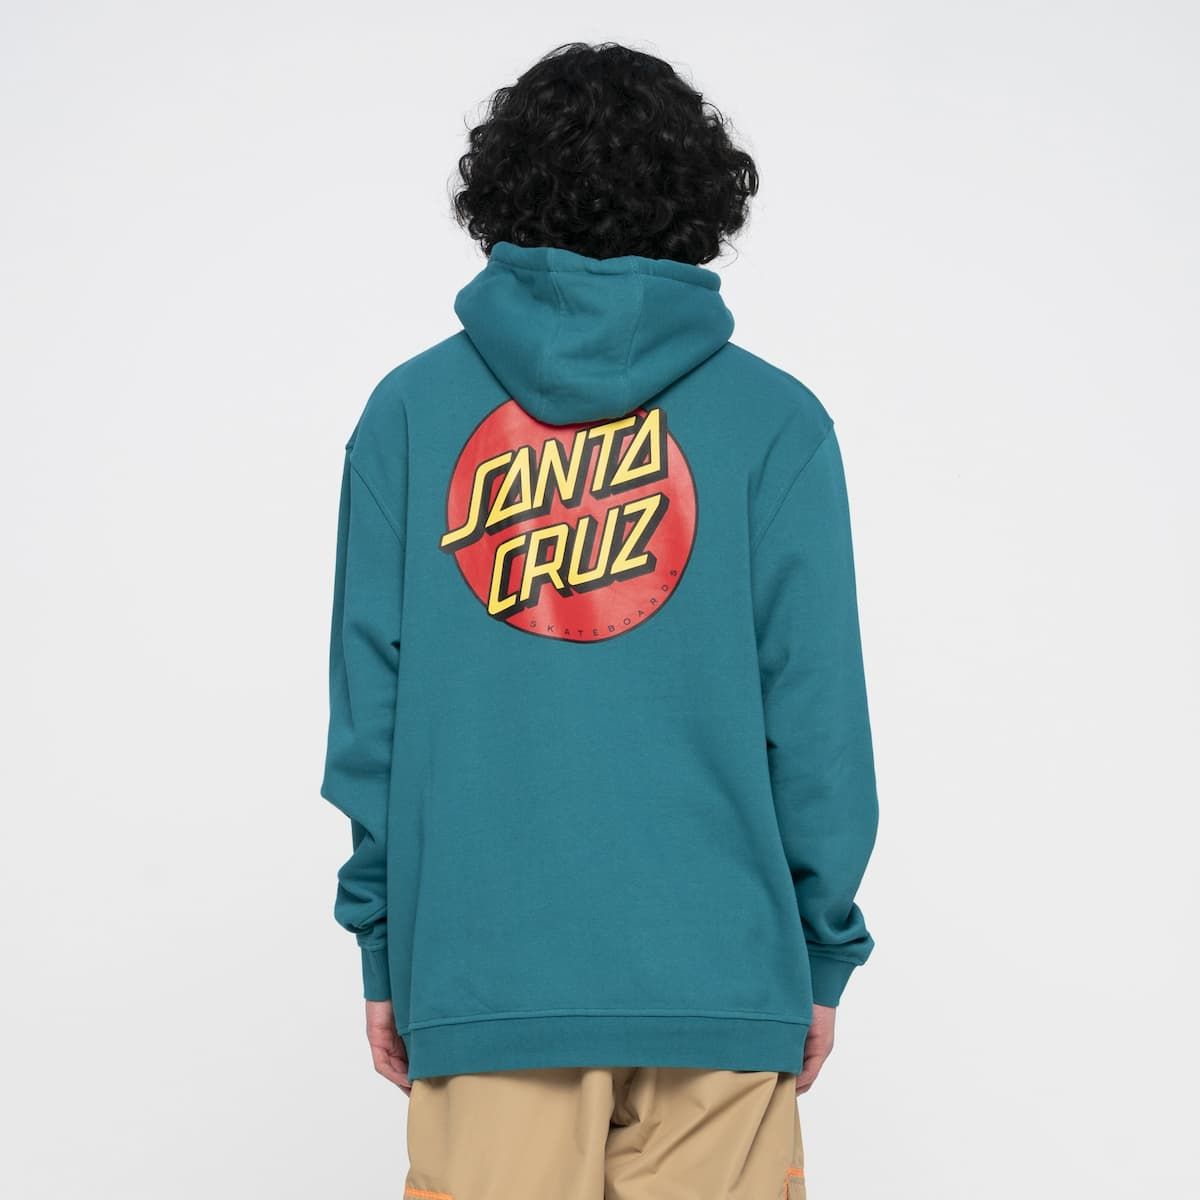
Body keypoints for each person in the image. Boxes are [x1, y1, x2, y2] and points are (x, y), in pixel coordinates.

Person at [320, 40, 879, 1200]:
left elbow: (371, 712)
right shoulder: (775, 422)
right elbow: (818, 718)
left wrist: (385, 943)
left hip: (485, 973)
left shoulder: (411, 413)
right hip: (722, 975)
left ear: (503, 193)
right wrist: (820, 950)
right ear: (699, 198)